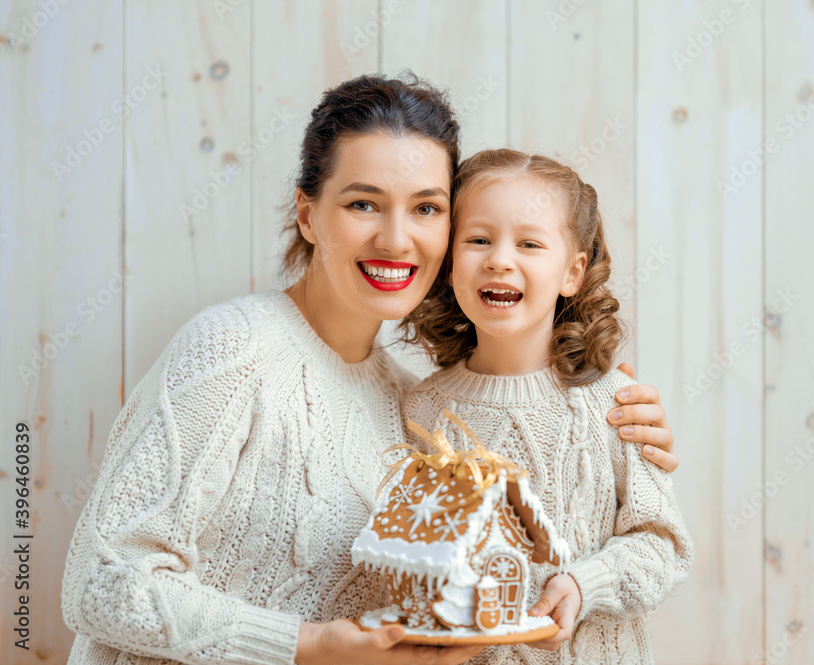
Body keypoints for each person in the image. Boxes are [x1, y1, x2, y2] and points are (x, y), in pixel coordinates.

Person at [60, 74, 678, 665]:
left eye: (427, 209)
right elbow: (99, 581)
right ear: (307, 214)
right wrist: (306, 645)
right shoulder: (235, 349)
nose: (396, 238)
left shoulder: (417, 412)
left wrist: (610, 423)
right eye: (363, 204)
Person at [400, 149, 693, 664]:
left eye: (529, 243)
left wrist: (586, 585)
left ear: (572, 273)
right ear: (449, 265)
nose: (499, 259)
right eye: (478, 240)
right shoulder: (420, 412)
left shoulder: (616, 404)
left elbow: (662, 544)